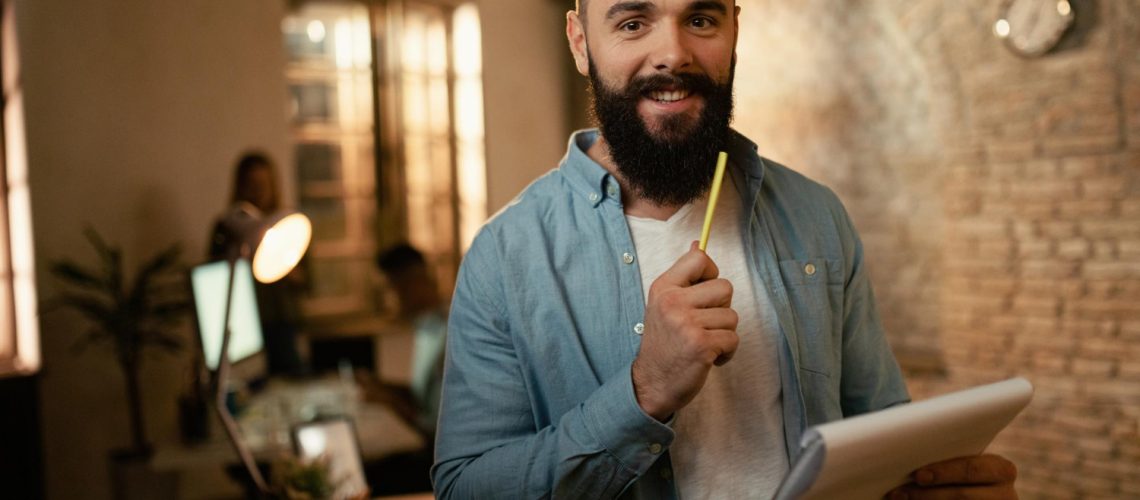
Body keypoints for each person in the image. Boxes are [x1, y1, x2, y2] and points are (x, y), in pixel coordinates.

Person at [432, 1, 1018, 499]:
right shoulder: (505, 254)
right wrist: (646, 390)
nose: (674, 54)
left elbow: (882, 429)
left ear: (734, 30)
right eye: (634, 22)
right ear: (581, 43)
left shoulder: (815, 215)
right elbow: (463, 487)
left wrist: (934, 480)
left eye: (702, 19)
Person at [208, 151, 306, 377]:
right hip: (245, 329)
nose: (259, 191)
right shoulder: (228, 228)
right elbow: (216, 280)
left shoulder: (287, 226)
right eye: (252, 184)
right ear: (240, 187)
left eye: (263, 184)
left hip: (283, 324)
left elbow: (307, 281)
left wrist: (283, 262)